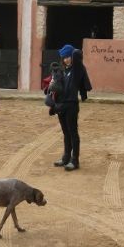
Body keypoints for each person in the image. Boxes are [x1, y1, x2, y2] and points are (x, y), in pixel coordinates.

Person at [52, 44, 92, 172]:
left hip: (72, 105)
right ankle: (66, 157)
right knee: (66, 133)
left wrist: (72, 51)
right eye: (64, 57)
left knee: (73, 133)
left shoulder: (77, 70)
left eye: (68, 57)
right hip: (61, 106)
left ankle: (75, 160)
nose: (66, 59)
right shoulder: (62, 70)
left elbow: (77, 54)